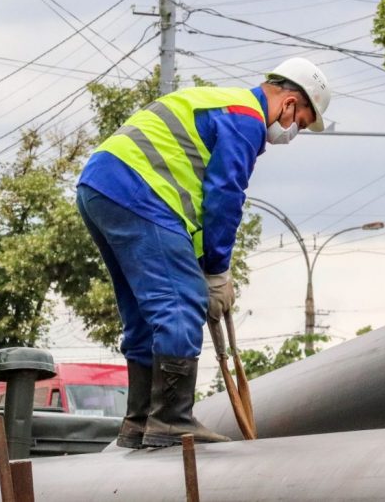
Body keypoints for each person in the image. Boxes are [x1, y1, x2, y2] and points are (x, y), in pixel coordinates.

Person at [76, 58, 329, 448]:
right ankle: (171, 421)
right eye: (301, 122)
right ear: (290, 103)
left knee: (146, 313)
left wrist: (201, 263)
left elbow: (189, 204)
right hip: (139, 191)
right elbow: (224, 196)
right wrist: (216, 272)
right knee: (181, 303)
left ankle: (139, 422)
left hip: (102, 188)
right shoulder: (246, 118)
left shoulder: (219, 102)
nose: (294, 131)